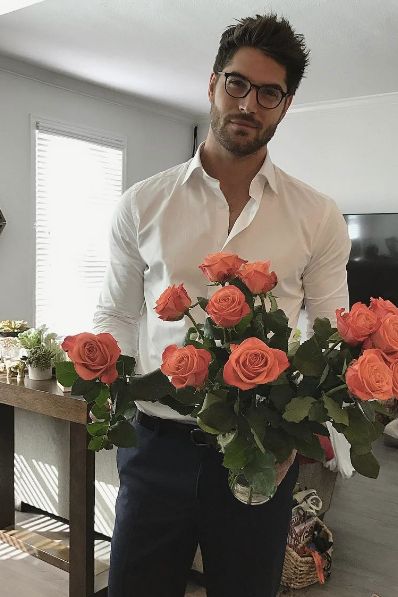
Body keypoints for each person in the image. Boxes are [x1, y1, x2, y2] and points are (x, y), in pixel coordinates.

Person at [93, 13, 351, 597]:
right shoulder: (143, 203)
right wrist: (102, 391)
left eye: (269, 93)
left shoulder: (317, 215)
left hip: (263, 451)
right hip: (158, 444)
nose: (249, 104)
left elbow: (333, 335)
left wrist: (305, 431)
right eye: (238, 83)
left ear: (285, 106)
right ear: (212, 84)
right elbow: (115, 314)